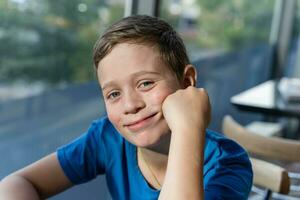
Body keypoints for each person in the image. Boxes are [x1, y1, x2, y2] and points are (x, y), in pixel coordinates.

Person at [0, 15, 252, 199]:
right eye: (113, 94)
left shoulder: (228, 164)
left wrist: (188, 126)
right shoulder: (108, 138)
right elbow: (18, 182)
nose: (130, 105)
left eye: (145, 83)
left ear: (187, 82)